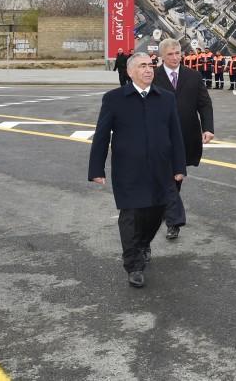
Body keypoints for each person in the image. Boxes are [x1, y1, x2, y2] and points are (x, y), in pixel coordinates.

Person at [88, 52, 186, 288]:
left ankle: (142, 244)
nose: (148, 69)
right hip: (128, 171)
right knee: (131, 216)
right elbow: (102, 136)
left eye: (151, 65)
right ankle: (133, 265)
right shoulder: (114, 99)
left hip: (161, 169)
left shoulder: (166, 98)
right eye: (142, 66)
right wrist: (96, 168)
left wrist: (179, 166)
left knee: (156, 212)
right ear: (130, 72)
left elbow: (176, 134)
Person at [152, 38, 215, 241]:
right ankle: (173, 220)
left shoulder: (193, 76)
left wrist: (208, 128)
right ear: (162, 56)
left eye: (178, 53)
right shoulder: (153, 76)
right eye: (170, 54)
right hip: (160, 138)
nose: (175, 57)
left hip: (186, 137)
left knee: (175, 178)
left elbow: (204, 104)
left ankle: (168, 212)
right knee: (169, 178)